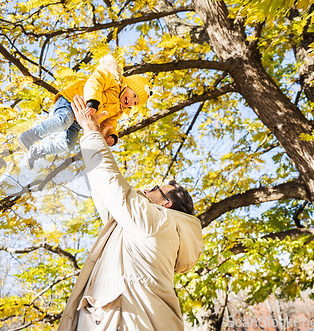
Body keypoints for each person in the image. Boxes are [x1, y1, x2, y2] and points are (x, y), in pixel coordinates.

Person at [57, 95, 204, 331]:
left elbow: (116, 191)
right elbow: (106, 194)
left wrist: (92, 132)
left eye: (156, 189)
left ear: (166, 204)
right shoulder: (138, 229)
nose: (145, 189)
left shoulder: (160, 223)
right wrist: (94, 139)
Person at [18, 54, 152, 168]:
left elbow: (109, 122)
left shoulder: (119, 110)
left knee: (68, 144)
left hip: (79, 120)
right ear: (129, 85)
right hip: (72, 101)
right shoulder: (114, 81)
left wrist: (111, 135)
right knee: (63, 121)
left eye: (135, 103)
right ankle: (29, 136)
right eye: (134, 95)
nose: (131, 101)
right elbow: (95, 82)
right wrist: (92, 101)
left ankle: (36, 152)